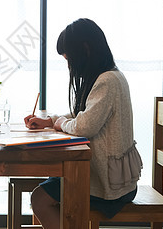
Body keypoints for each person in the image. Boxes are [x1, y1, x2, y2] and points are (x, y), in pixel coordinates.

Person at [24, 18, 143, 229]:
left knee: (40, 199)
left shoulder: (107, 81)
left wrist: (59, 122)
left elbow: (84, 126)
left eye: (70, 60)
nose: (70, 66)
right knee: (48, 189)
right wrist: (50, 121)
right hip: (116, 179)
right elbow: (85, 113)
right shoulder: (111, 76)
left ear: (85, 50)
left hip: (109, 186)